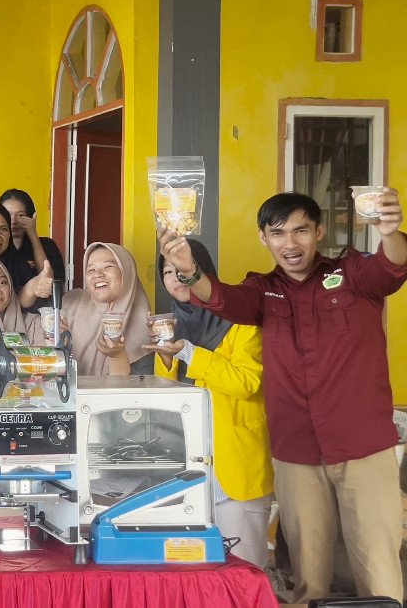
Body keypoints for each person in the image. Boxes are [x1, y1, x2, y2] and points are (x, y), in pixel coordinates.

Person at [161, 191, 407, 603]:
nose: (290, 243)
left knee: (379, 568)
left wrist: (390, 231)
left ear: (319, 232)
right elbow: (224, 299)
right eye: (278, 233)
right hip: (297, 451)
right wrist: (189, 271)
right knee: (307, 574)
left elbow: (391, 267)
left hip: (363, 446)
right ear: (264, 238)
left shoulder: (352, 274)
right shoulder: (263, 291)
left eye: (300, 231)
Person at [150, 240, 272, 568]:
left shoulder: (241, 321)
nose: (175, 278)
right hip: (188, 467)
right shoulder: (172, 325)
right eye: (167, 272)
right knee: (196, 569)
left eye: (182, 269)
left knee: (244, 566)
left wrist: (190, 353)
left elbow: (246, 383)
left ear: (201, 271)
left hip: (234, 466)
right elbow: (166, 400)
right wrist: (167, 358)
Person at [60, 243, 152, 376]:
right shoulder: (70, 306)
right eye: (91, 270)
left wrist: (117, 356)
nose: (98, 274)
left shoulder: (150, 328)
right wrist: (59, 344)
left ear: (126, 271)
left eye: (108, 266)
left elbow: (138, 386)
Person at [0, 188, 66, 291]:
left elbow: (50, 282)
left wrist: (33, 234)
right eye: (8, 214)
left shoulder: (47, 245)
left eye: (21, 215)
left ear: (30, 216)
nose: (13, 221)